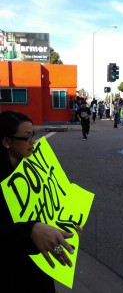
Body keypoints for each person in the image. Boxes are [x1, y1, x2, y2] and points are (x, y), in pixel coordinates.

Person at [0, 110, 80, 293]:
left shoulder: (34, 168)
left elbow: (50, 209)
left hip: (40, 269)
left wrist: (67, 221)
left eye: (33, 135)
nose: (33, 142)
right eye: (26, 137)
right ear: (7, 142)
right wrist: (29, 230)